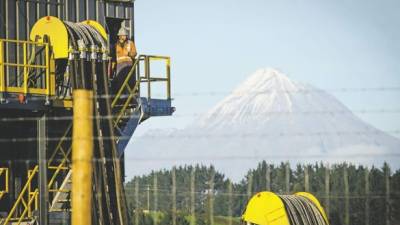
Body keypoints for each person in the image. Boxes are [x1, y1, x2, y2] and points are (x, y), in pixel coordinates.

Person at [112, 27, 138, 104]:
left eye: (126, 35)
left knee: (130, 81)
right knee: (120, 82)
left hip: (128, 64)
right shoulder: (115, 45)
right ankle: (121, 98)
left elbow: (135, 53)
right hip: (119, 65)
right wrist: (113, 67)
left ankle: (131, 98)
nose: (125, 37)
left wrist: (129, 54)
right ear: (119, 36)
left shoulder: (130, 43)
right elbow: (114, 57)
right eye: (123, 35)